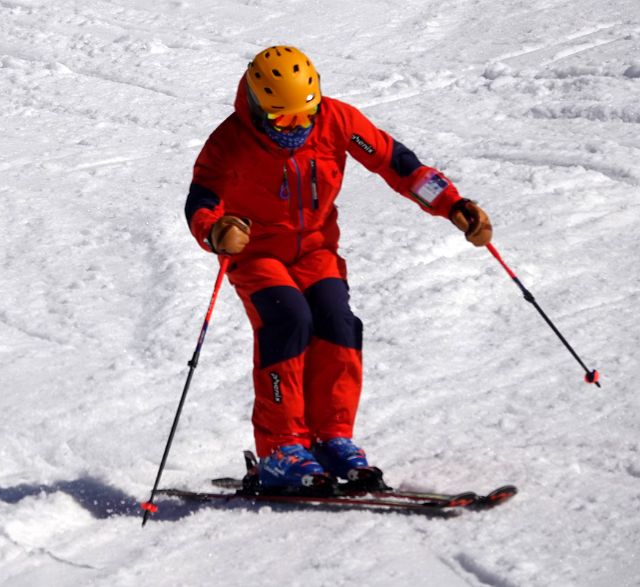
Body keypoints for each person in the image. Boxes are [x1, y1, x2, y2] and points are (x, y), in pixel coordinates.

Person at [184, 46, 492, 490]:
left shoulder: (337, 121)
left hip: (316, 250)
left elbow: (398, 165)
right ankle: (280, 449)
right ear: (256, 107)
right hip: (257, 255)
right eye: (282, 119)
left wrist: (452, 204)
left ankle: (332, 438)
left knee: (336, 320)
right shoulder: (230, 142)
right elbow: (202, 201)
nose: (296, 127)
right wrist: (216, 232)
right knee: (289, 319)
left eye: (304, 115)